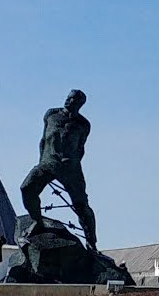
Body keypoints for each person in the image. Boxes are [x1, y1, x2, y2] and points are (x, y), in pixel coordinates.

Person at [17, 88, 99, 250]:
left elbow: (81, 148)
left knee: (81, 205)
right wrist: (42, 161)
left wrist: (72, 165)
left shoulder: (83, 124)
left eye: (74, 100)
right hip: (47, 163)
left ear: (80, 104)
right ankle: (37, 221)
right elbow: (43, 140)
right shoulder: (51, 114)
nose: (69, 101)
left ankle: (91, 241)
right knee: (27, 188)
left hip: (70, 168)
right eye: (68, 98)